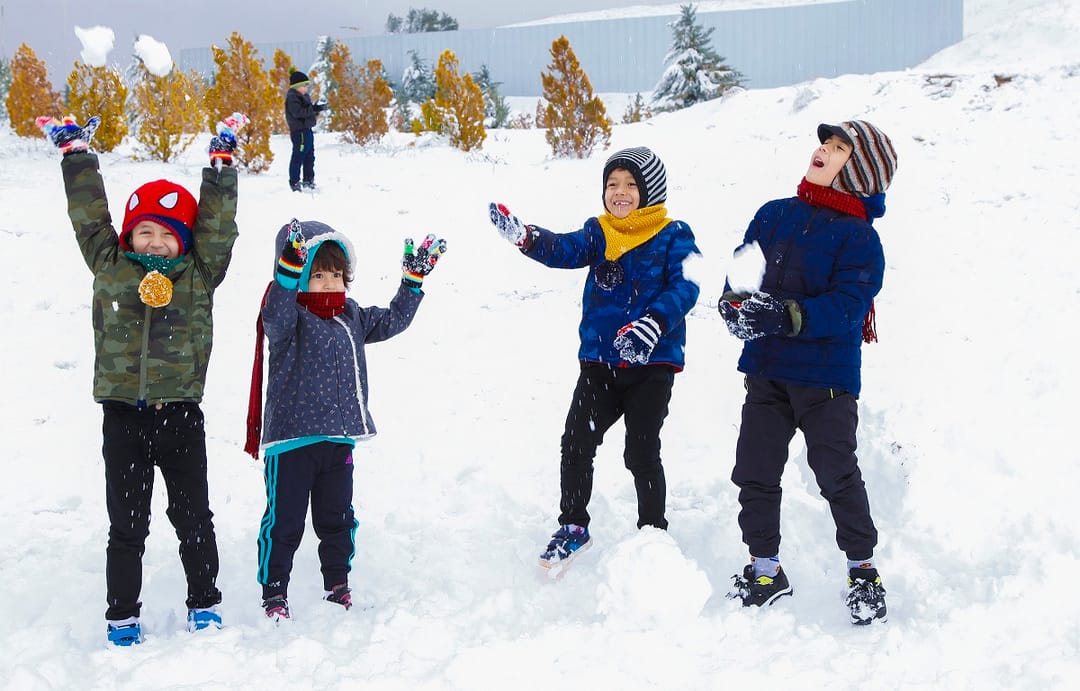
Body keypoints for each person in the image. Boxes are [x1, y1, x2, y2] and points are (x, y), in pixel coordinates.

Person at [39, 113, 243, 645]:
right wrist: (76, 156)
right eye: (144, 231)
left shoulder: (199, 274)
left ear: (184, 240)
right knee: (127, 526)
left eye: (167, 234)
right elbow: (89, 219)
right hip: (123, 417)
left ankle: (205, 603)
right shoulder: (110, 264)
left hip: (180, 416)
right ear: (129, 234)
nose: (154, 243)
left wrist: (221, 167)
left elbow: (218, 227)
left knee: (193, 517)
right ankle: (122, 615)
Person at [718, 120, 897, 625]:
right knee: (754, 471)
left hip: (827, 381)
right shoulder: (773, 214)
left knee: (837, 475)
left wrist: (785, 315)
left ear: (859, 173)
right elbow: (742, 273)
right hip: (767, 370)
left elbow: (847, 306)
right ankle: (766, 571)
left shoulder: (861, 239)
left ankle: (863, 572)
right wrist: (733, 305)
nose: (824, 149)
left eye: (839, 148)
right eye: (825, 142)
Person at [489, 146, 701, 571]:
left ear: (650, 191)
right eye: (612, 184)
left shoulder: (675, 234)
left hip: (651, 366)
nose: (619, 192)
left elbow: (688, 286)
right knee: (576, 441)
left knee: (641, 451)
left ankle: (653, 532)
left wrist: (654, 323)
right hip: (600, 364)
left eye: (630, 185)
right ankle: (573, 526)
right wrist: (526, 237)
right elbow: (563, 249)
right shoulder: (599, 232)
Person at [244, 219, 446, 621]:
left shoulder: (351, 314)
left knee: (337, 518)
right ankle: (274, 592)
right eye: (317, 275)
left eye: (336, 275)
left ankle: (337, 584)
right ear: (299, 275)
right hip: (293, 442)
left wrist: (412, 283)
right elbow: (275, 315)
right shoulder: (289, 319)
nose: (329, 283)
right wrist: (286, 274)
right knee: (284, 522)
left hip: (339, 441)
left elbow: (393, 320)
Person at [284, 70, 328, 192]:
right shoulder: (293, 97)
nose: (306, 88)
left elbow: (309, 112)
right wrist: (314, 108)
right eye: (304, 85)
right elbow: (298, 113)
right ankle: (294, 182)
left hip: (307, 130)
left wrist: (318, 109)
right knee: (298, 156)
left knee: (309, 156)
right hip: (300, 132)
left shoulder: (304, 97)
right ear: (296, 86)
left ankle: (308, 180)